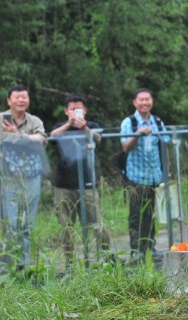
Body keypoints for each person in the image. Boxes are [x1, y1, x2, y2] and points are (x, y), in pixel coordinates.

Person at [0, 85, 48, 269]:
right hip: (8, 177)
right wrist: (26, 139)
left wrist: (16, 135)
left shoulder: (34, 120)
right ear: (9, 100)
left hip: (31, 176)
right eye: (17, 97)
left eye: (24, 97)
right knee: (11, 223)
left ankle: (24, 265)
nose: (21, 100)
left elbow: (42, 141)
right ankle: (7, 266)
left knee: (27, 224)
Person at [49, 95, 111, 265]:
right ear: (66, 111)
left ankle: (107, 258)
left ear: (85, 110)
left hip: (88, 183)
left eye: (79, 109)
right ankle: (70, 263)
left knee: (98, 223)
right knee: (66, 227)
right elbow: (52, 137)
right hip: (63, 185)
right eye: (72, 109)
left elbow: (98, 140)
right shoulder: (60, 127)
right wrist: (69, 124)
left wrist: (84, 128)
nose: (75, 112)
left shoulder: (92, 126)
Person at [120, 88, 171, 259]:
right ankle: (136, 251)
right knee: (136, 215)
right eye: (141, 100)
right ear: (134, 102)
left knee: (151, 213)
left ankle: (150, 248)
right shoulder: (129, 122)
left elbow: (165, 145)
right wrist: (137, 134)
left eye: (147, 99)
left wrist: (167, 171)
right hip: (135, 176)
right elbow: (125, 147)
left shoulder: (157, 121)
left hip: (154, 176)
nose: (144, 103)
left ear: (152, 101)